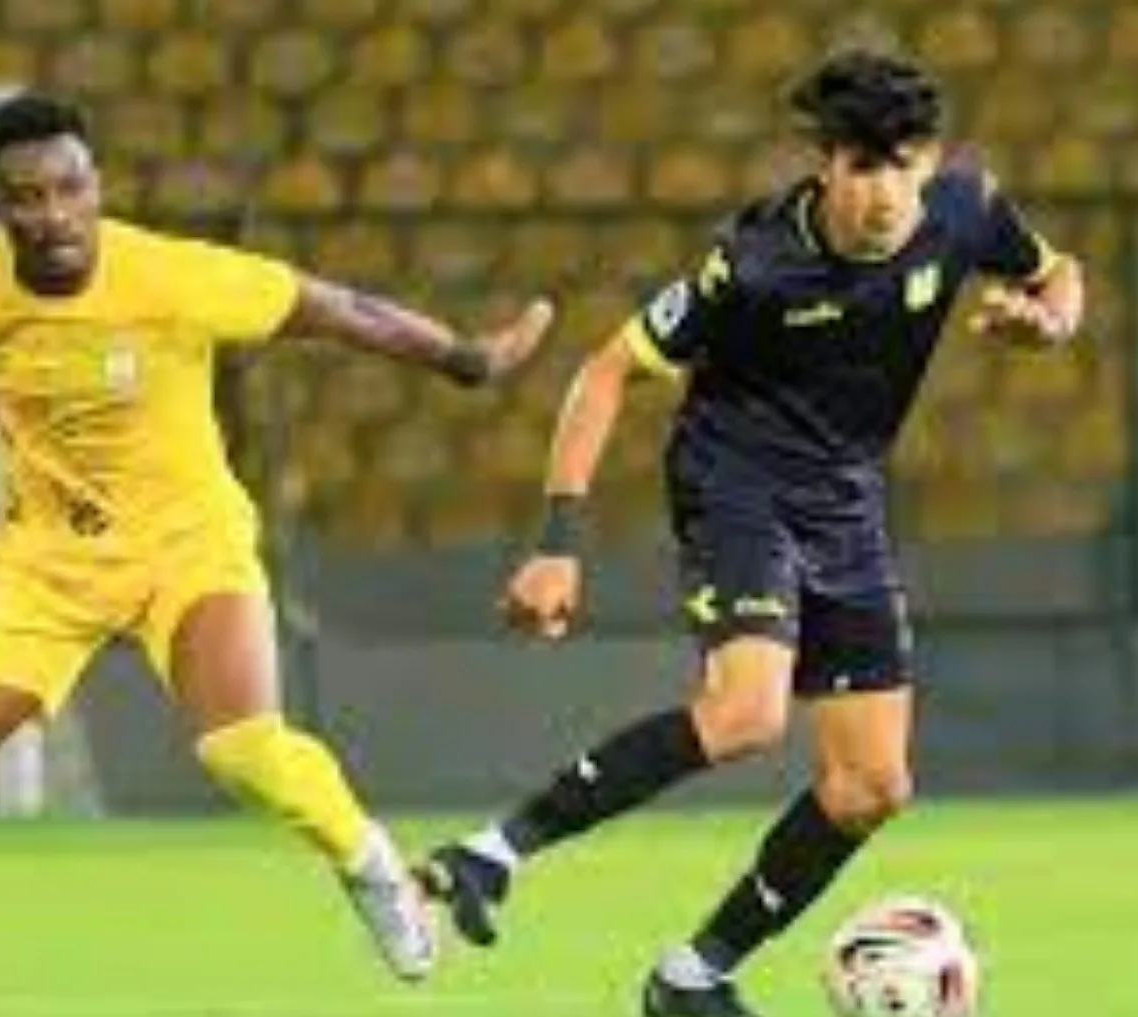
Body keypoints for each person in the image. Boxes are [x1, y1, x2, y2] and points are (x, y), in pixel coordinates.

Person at [0, 92, 555, 1017]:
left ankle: (374, 866)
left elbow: (335, 309)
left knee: (243, 751)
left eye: (69, 188)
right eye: (27, 197)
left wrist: (464, 359)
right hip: (42, 565)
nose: (54, 214)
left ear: (97, 186)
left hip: (189, 546)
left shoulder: (172, 276)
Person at [415, 49, 1083, 1017]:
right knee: (746, 712)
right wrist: (556, 539)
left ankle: (691, 978)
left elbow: (1059, 274)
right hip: (735, 483)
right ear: (824, 164)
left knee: (869, 785)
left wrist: (1050, 324)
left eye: (900, 164)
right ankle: (491, 853)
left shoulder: (965, 210)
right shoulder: (753, 262)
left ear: (930, 159)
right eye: (860, 165)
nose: (882, 192)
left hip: (845, 502)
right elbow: (604, 371)